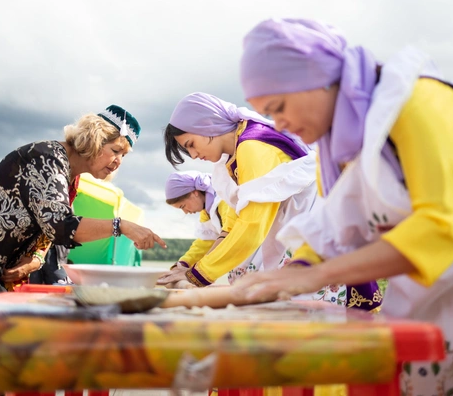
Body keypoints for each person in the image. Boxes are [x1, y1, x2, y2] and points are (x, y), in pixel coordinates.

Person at [234, 18, 453, 394]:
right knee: (443, 377)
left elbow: (439, 227)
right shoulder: (338, 149)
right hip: (437, 281)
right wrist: (295, 269)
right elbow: (337, 229)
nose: (279, 123)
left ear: (318, 77)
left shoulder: (418, 99)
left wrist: (312, 277)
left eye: (278, 106)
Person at [0, 105, 166, 299]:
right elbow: (60, 225)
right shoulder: (46, 157)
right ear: (95, 139)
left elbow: (47, 229)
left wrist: (34, 260)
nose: (119, 161)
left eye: (123, 155)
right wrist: (120, 226)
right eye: (115, 150)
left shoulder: (71, 176)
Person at [162, 92, 381, 310]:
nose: (193, 154)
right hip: (297, 232)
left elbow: (253, 225)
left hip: (311, 227)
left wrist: (199, 275)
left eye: (191, 144)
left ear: (206, 124)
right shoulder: (232, 157)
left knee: (318, 316)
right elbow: (231, 226)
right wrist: (191, 269)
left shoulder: (252, 146)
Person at [158, 171, 233, 287]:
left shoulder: (224, 201)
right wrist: (183, 264)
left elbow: (230, 238)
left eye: (183, 206)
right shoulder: (207, 211)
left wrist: (196, 272)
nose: (186, 212)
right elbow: (205, 243)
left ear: (194, 193)